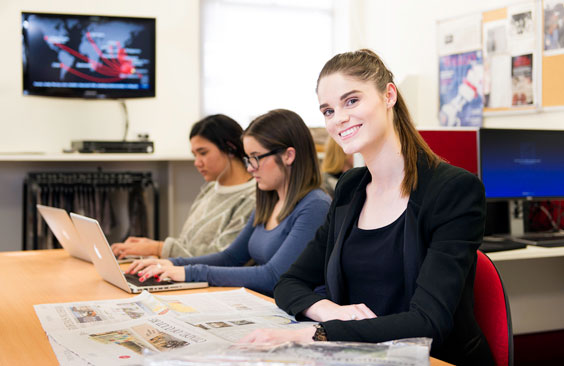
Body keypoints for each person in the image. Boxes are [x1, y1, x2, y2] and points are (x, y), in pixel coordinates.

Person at [240, 50, 494, 366]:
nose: (339, 118)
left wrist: (317, 333)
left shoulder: (453, 190)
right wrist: (328, 311)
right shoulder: (350, 188)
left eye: (352, 101)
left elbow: (429, 322)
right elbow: (289, 283)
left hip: (433, 359)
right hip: (359, 355)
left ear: (389, 95)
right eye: (328, 110)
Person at [126, 109, 331, 296]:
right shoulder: (268, 199)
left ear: (288, 155)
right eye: (248, 158)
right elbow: (231, 257)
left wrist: (187, 272)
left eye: (256, 157)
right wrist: (168, 263)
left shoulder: (315, 206)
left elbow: (274, 276)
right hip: (264, 304)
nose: (250, 168)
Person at [111, 114, 256, 259]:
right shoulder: (210, 189)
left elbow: (224, 255)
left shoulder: (252, 198)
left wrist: (158, 248)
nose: (197, 162)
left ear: (230, 148)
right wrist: (151, 249)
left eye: (203, 153)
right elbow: (187, 245)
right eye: (195, 155)